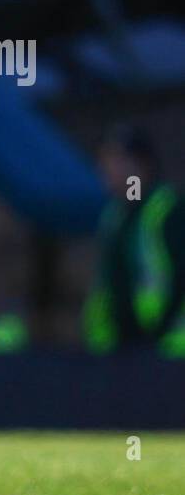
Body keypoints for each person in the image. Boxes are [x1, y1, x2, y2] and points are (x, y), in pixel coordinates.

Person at [85, 125, 185, 358]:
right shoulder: (114, 216)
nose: (109, 169)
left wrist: (162, 332)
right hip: (122, 348)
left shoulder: (167, 210)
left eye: (119, 160)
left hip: (166, 350)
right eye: (104, 160)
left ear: (143, 165)